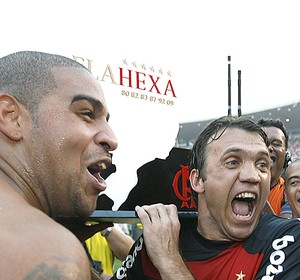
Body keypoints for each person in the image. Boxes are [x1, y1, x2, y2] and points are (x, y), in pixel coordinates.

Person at [0, 51, 181, 280]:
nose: (111, 138)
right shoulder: (46, 251)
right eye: (86, 113)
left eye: (106, 120)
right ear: (11, 116)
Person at [112, 116, 300, 279]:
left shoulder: (289, 239)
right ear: (197, 180)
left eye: (261, 164)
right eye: (233, 162)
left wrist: (170, 263)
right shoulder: (161, 238)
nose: (253, 176)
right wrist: (82, 242)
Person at [257, 118, 290, 216]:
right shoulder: (234, 187)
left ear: (286, 156)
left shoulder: (291, 192)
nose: (269, 148)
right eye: (263, 143)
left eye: (276, 144)